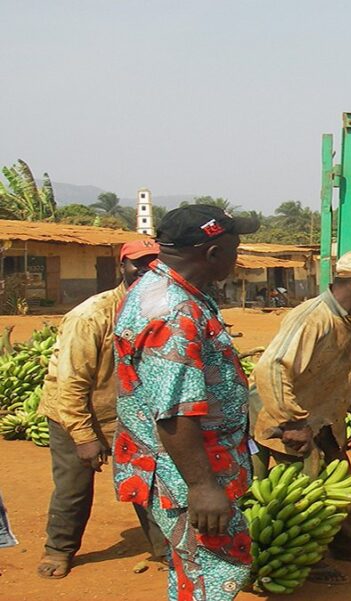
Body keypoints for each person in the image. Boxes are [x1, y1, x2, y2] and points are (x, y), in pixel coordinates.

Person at [111, 206, 259, 601]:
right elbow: (174, 411)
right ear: (212, 254)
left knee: (195, 569)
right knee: (213, 569)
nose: (238, 256)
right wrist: (202, 486)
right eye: (235, 247)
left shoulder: (175, 291)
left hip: (193, 462)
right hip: (184, 472)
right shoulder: (174, 311)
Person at [250, 250, 351, 583]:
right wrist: (291, 421)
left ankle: (350, 547)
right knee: (300, 492)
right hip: (285, 416)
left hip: (322, 415)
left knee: (340, 486)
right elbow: (273, 367)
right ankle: (303, 559)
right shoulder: (313, 317)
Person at [35, 240, 167, 579]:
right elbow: (71, 383)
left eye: (154, 262)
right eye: (138, 263)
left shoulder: (159, 310)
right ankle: (59, 550)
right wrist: (83, 436)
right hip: (76, 411)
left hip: (130, 413)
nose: (146, 269)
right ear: (121, 267)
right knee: (74, 487)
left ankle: (164, 547)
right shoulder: (92, 315)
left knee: (149, 482)